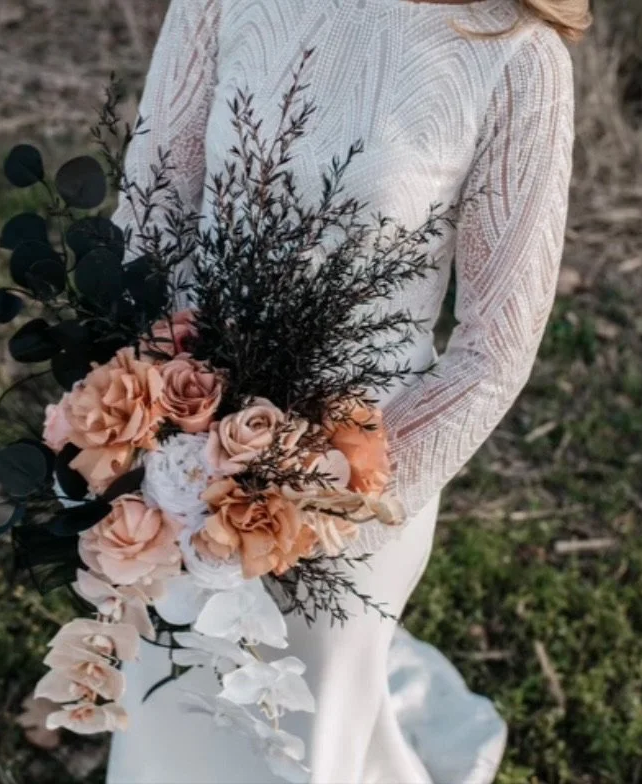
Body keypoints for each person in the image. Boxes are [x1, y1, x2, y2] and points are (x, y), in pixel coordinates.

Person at [106, 0, 590, 781]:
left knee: (301, 736)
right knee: (166, 695)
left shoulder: (517, 56)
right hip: (180, 436)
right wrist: (147, 410)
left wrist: (327, 498)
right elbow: (151, 213)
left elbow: (494, 351)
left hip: (357, 476)